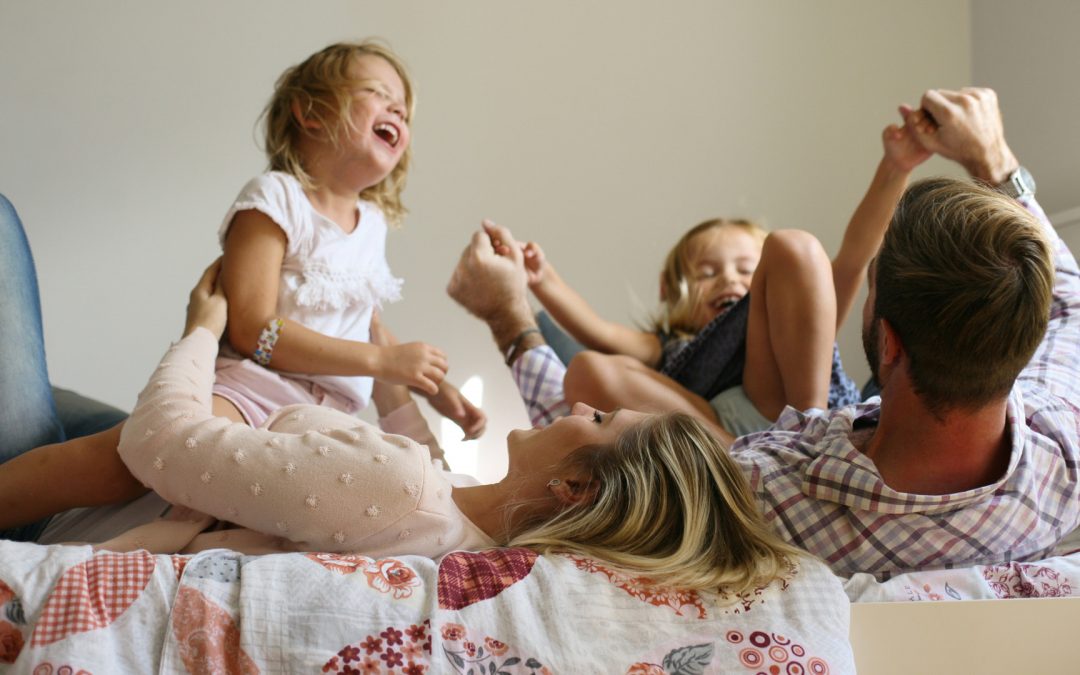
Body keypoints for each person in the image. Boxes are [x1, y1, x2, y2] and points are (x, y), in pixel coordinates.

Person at [448, 87, 1080, 580]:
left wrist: (511, 320)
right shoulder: (1064, 452)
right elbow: (1070, 305)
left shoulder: (756, 496)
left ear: (887, 344)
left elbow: (576, 481)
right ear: (1023, 345)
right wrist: (992, 159)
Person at [0, 207, 800, 595]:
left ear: (574, 489)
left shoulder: (409, 499)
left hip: (78, 513)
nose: (575, 406)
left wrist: (201, 327)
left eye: (596, 419)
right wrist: (380, 350)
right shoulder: (455, 523)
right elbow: (399, 456)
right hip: (138, 481)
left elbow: (160, 445)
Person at [515, 113, 931, 443]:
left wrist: (894, 167)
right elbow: (599, 333)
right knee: (586, 369)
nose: (728, 280)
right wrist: (542, 278)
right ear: (669, 289)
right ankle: (740, 466)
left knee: (794, 245)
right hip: (711, 430)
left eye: (747, 270)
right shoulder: (668, 346)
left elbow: (854, 258)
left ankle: (810, 433)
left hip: (786, 404)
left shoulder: (795, 328)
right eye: (707, 273)